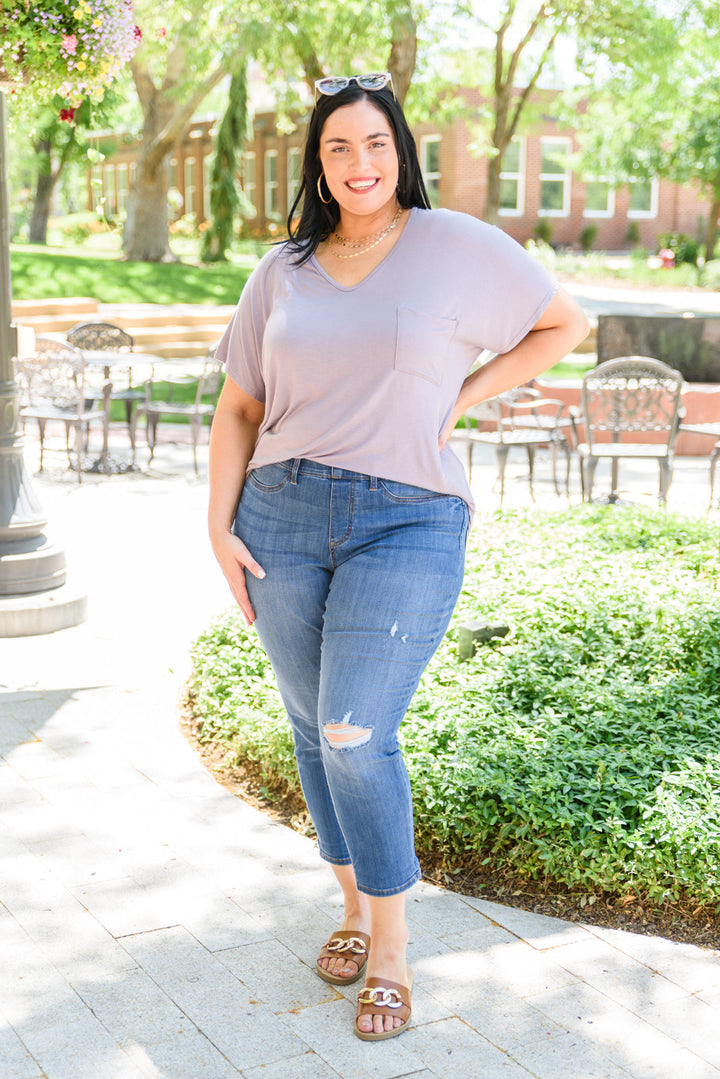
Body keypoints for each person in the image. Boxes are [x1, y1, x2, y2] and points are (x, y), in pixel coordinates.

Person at [208, 71, 589, 1042]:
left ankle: (389, 945)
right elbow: (241, 405)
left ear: (400, 151)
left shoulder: (453, 244)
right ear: (318, 163)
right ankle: (347, 903)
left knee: (350, 728)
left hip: (409, 515)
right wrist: (218, 522)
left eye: (375, 143)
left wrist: (458, 397)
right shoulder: (281, 271)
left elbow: (564, 324)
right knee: (306, 721)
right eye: (339, 147)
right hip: (280, 514)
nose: (359, 162)